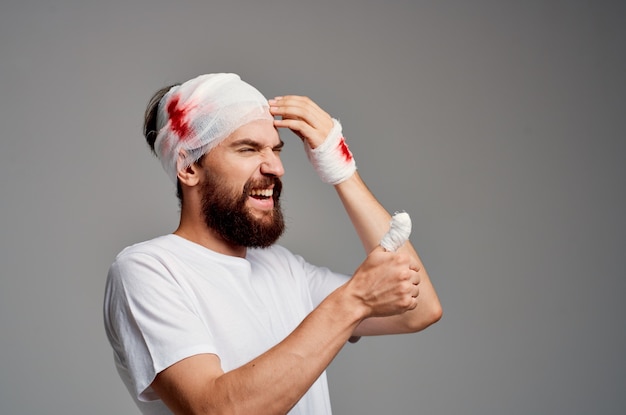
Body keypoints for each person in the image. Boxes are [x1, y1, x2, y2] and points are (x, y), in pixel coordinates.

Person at [103, 73, 442, 415]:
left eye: (276, 150)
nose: (276, 167)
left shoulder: (287, 269)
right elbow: (214, 410)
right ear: (190, 166)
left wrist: (341, 170)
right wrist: (352, 300)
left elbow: (419, 309)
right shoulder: (149, 270)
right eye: (248, 149)